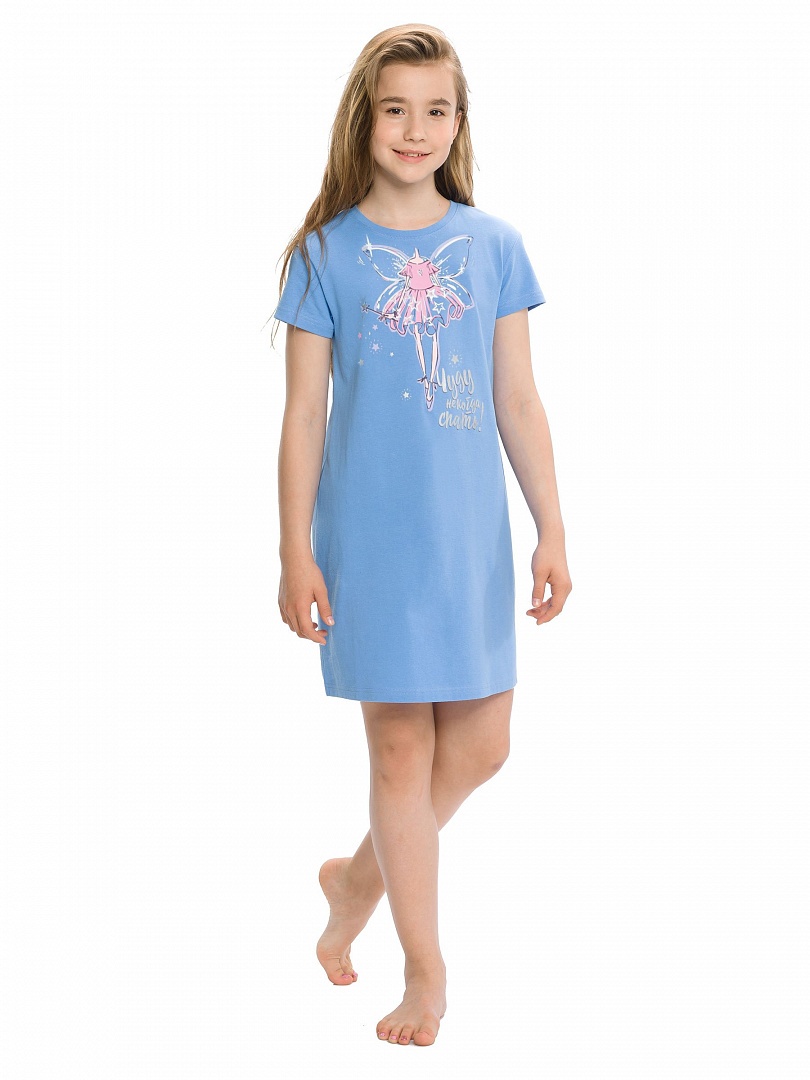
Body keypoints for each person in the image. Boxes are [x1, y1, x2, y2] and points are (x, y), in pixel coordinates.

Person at [271, 23, 572, 1048]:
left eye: (435, 109)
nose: (415, 128)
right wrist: (294, 551)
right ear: (365, 119)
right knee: (401, 750)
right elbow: (302, 417)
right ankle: (425, 973)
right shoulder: (325, 255)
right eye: (395, 109)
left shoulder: (493, 247)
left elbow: (518, 399)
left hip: (467, 539)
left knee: (482, 746)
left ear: (458, 122)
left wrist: (552, 527)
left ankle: (356, 881)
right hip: (368, 542)